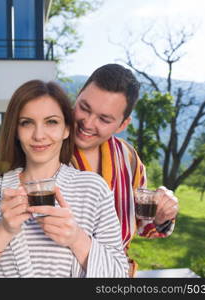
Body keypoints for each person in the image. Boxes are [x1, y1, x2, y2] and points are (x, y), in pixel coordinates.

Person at [0, 80, 129, 278]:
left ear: (66, 129)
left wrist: (76, 239)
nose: (39, 135)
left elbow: (118, 275)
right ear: (16, 131)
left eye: (51, 122)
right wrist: (3, 230)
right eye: (27, 123)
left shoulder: (94, 189)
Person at [71, 64, 179, 276]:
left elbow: (143, 225)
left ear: (122, 125)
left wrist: (161, 215)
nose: (88, 123)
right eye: (84, 107)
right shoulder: (46, 146)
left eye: (104, 119)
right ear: (77, 97)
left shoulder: (129, 158)